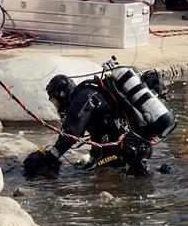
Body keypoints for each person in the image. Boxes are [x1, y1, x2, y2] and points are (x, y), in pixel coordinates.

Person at [23, 70, 175, 178]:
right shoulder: (92, 92)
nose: (57, 106)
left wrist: (48, 157)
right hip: (133, 146)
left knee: (89, 176)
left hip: (125, 149)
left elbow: (70, 134)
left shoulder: (83, 96)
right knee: (92, 169)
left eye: (55, 101)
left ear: (62, 94)